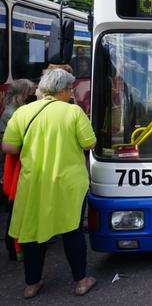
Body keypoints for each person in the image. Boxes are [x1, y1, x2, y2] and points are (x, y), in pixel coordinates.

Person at [1, 69, 97, 298]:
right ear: (62, 90)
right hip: (69, 185)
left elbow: (9, 147)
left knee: (33, 233)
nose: (72, 92)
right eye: (70, 89)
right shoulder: (73, 112)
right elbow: (89, 144)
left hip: (33, 182)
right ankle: (81, 281)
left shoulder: (23, 113)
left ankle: (31, 284)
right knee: (72, 231)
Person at [1, 79, 37, 261]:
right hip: (12, 169)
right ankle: (13, 248)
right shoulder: (11, 114)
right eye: (29, 92)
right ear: (20, 95)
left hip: (16, 167)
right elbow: (9, 145)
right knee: (15, 211)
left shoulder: (16, 111)